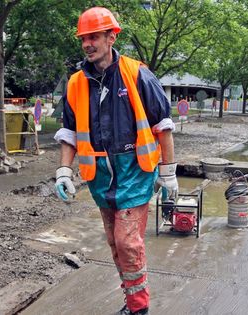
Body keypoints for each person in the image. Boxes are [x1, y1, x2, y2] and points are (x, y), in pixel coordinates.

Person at [53, 7, 176, 315]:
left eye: (94, 37)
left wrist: (169, 173)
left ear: (111, 37)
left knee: (127, 241)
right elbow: (68, 132)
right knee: (114, 242)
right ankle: (132, 298)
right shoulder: (75, 84)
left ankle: (139, 308)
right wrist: (64, 171)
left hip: (135, 171)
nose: (87, 44)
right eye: (84, 38)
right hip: (100, 176)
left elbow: (163, 126)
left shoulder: (137, 74)